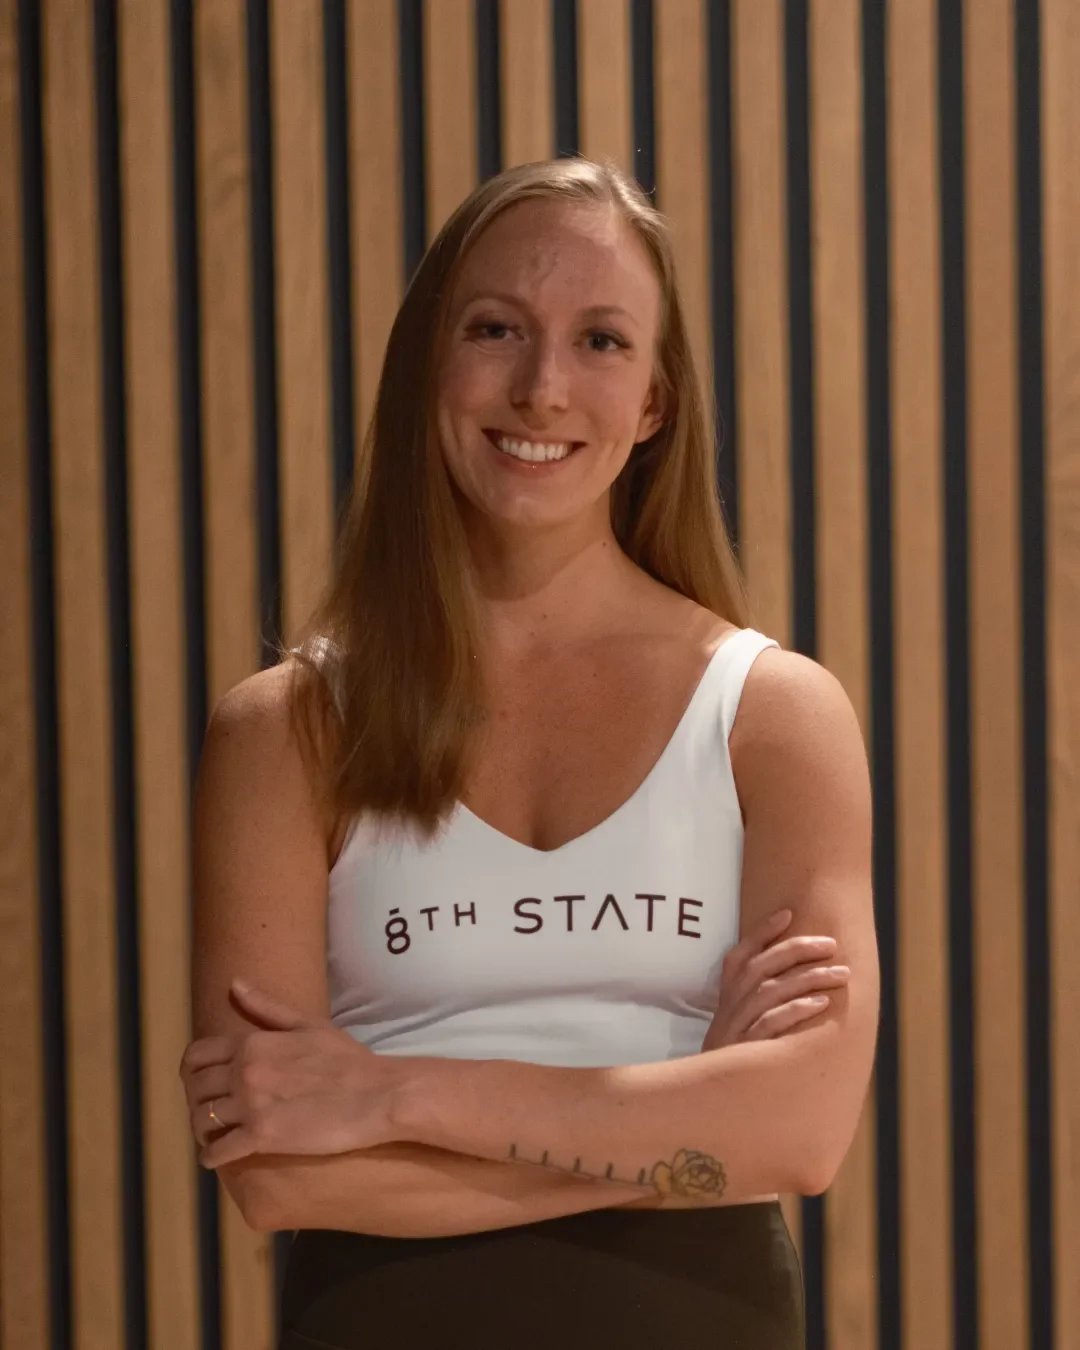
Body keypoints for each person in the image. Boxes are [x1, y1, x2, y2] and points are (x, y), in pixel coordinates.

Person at [180, 156, 879, 1349]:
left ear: (655, 402)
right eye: (497, 327)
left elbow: (803, 1135)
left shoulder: (774, 715)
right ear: (427, 370)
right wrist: (688, 1131)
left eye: (602, 341)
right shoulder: (286, 732)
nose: (543, 387)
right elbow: (278, 1176)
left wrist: (392, 1093)